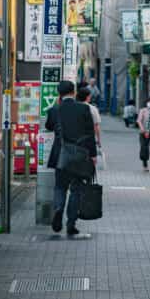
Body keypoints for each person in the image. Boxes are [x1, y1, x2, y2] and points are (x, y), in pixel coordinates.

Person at [45, 80, 96, 237]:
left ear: (58, 94)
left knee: (60, 187)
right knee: (76, 190)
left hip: (61, 155)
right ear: (73, 92)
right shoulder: (83, 108)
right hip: (80, 156)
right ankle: (71, 223)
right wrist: (93, 155)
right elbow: (90, 133)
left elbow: (49, 126)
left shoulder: (55, 110)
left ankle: (58, 209)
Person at [77, 83, 102, 150]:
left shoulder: (73, 107)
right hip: (88, 139)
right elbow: (96, 126)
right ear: (87, 97)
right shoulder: (93, 109)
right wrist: (98, 140)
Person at [136, 99, 150, 170]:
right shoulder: (143, 110)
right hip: (143, 132)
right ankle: (145, 163)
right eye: (149, 102)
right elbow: (139, 120)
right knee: (144, 147)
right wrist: (142, 129)